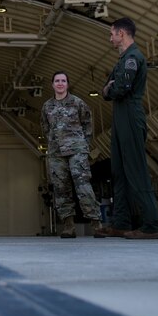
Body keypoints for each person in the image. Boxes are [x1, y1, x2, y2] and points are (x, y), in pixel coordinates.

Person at [102, 17, 158, 239]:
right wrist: (109, 89)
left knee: (135, 169)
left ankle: (152, 224)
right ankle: (121, 222)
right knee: (118, 171)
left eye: (112, 33)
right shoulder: (123, 59)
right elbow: (106, 90)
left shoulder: (133, 58)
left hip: (130, 114)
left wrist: (110, 89)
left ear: (122, 33)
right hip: (120, 116)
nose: (110, 38)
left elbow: (118, 89)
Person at [41, 71, 107, 238]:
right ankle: (68, 226)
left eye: (63, 80)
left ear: (67, 84)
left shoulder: (78, 103)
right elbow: (44, 127)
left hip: (77, 150)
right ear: (52, 84)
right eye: (57, 81)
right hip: (56, 152)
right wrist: (52, 142)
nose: (60, 83)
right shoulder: (47, 106)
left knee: (83, 186)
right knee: (61, 188)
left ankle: (96, 223)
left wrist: (83, 144)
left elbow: (87, 124)